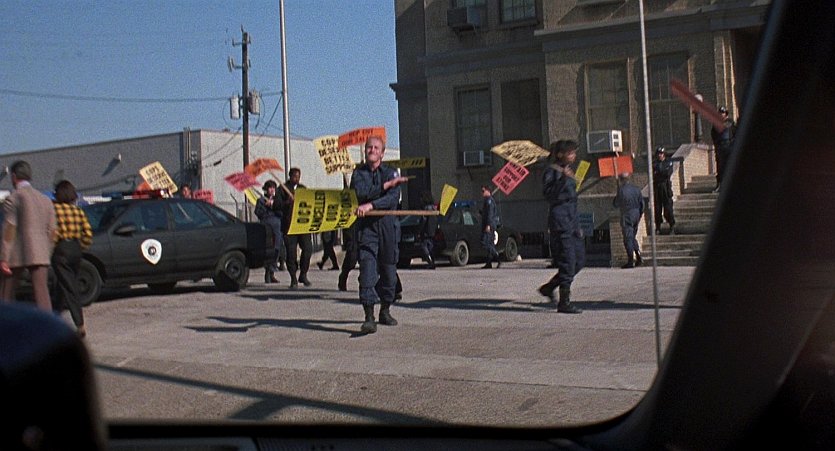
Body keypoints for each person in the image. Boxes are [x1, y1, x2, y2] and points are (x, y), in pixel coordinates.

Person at [351, 136, 409, 334]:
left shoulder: (391, 172)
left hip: (388, 227)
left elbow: (392, 198)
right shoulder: (358, 173)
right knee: (367, 271)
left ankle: (385, 310)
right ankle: (369, 317)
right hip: (367, 229)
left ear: (382, 153)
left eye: (376, 148)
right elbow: (360, 193)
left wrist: (372, 204)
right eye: (369, 147)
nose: (372, 150)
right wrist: (383, 187)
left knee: (389, 274)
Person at [0, 160, 57, 312]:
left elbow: (9, 229)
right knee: (42, 293)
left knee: (6, 293)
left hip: (17, 252)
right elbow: (53, 231)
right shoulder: (45, 200)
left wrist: (4, 257)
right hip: (40, 252)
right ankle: (47, 323)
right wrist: (47, 251)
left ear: (13, 177)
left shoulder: (14, 198)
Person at [537, 140, 583, 314]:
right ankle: (564, 302)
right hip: (561, 223)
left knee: (579, 261)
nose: (573, 155)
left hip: (572, 222)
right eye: (570, 152)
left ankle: (549, 287)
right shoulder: (552, 171)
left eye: (574, 152)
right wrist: (563, 179)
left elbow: (572, 200)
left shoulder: (568, 171)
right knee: (568, 262)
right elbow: (549, 195)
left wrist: (577, 225)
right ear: (560, 154)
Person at [51, 180, 93, 337]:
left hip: (61, 249)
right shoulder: (78, 211)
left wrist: (51, 248)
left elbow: (53, 233)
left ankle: (79, 323)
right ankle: (55, 315)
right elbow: (88, 233)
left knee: (69, 286)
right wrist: (81, 246)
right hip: (75, 249)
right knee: (62, 284)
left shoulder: (54, 210)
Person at [278, 167, 313, 288]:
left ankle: (303, 273)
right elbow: (276, 205)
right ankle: (293, 277)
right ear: (290, 176)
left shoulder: (302, 189)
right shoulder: (283, 189)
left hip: (302, 225)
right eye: (294, 176)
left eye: (298, 176)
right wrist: (287, 202)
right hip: (289, 226)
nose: (296, 179)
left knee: (307, 249)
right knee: (291, 253)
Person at [613, 172, 644, 268]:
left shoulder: (621, 190)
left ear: (621, 180)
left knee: (628, 239)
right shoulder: (636, 189)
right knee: (632, 237)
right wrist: (639, 214)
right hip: (636, 215)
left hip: (627, 215)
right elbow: (642, 204)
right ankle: (638, 256)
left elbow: (616, 204)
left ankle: (631, 260)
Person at [254, 180, 283, 284]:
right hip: (266, 226)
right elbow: (258, 213)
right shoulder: (261, 200)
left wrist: (273, 206)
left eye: (273, 188)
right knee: (268, 250)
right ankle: (268, 271)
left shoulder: (278, 201)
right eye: (270, 188)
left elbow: (281, 212)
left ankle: (272, 271)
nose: (272, 190)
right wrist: (266, 207)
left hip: (277, 228)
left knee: (276, 249)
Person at [710, 106, 736, 191]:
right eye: (720, 113)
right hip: (720, 147)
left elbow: (734, 132)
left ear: (726, 114)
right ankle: (720, 184)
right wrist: (716, 145)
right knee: (720, 167)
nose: (721, 114)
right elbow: (713, 134)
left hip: (729, 146)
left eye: (723, 113)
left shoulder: (730, 122)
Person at [653, 146, 676, 235]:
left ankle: (672, 226)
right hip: (657, 187)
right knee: (657, 209)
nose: (660, 155)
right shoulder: (655, 164)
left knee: (668, 208)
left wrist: (660, 172)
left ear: (664, 154)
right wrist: (660, 173)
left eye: (661, 154)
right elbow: (654, 175)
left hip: (665, 187)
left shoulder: (668, 162)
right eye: (658, 154)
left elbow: (667, 173)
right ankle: (658, 227)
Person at [480, 185, 501, 269]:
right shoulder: (487, 201)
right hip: (488, 224)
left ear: (488, 191)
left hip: (489, 225)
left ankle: (497, 257)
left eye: (483, 191)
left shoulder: (489, 201)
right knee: (490, 243)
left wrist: (488, 225)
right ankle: (489, 263)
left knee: (486, 242)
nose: (482, 193)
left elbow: (490, 214)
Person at [419, 190, 437, 269]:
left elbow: (423, 220)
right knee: (431, 247)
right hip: (433, 230)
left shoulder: (426, 208)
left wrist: (420, 230)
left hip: (426, 230)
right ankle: (432, 261)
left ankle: (430, 261)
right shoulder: (434, 208)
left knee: (424, 246)